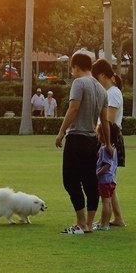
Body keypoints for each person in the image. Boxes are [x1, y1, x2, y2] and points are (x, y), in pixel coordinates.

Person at [55, 51, 108, 234]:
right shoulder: (101, 89)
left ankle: (80, 222)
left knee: (70, 180)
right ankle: (89, 224)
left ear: (76, 67)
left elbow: (73, 108)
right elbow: (105, 120)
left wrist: (61, 132)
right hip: (92, 140)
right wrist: (107, 143)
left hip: (76, 136)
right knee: (90, 181)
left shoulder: (79, 83)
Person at [93, 58, 127, 227]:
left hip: (110, 139)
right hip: (108, 138)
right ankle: (117, 218)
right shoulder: (111, 92)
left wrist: (105, 143)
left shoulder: (112, 93)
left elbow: (110, 121)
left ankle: (104, 220)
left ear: (101, 75)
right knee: (110, 183)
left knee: (106, 182)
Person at [92, 121, 119, 231]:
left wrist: (97, 174)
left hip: (104, 180)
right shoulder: (113, 148)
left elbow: (107, 165)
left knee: (105, 202)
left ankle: (104, 223)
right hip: (112, 179)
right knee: (108, 201)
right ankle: (105, 222)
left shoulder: (104, 149)